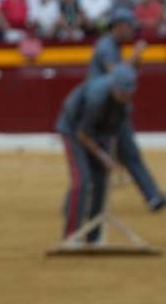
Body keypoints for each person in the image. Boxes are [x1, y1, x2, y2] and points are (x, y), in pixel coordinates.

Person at [86, 8, 164, 212]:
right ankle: (153, 196)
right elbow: (118, 76)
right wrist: (136, 54)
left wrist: (135, 58)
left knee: (121, 155)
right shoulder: (107, 47)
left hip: (109, 110)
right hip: (103, 111)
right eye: (130, 27)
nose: (133, 32)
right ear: (120, 26)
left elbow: (127, 73)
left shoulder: (112, 45)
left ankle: (153, 196)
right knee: (123, 155)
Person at [55, 64, 139, 244]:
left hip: (96, 133)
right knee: (83, 180)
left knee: (101, 180)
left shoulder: (124, 103)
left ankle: (93, 235)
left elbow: (113, 133)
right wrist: (103, 156)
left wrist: (114, 159)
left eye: (129, 93)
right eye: (123, 93)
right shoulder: (96, 97)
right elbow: (82, 134)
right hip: (72, 130)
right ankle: (71, 236)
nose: (126, 97)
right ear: (114, 87)